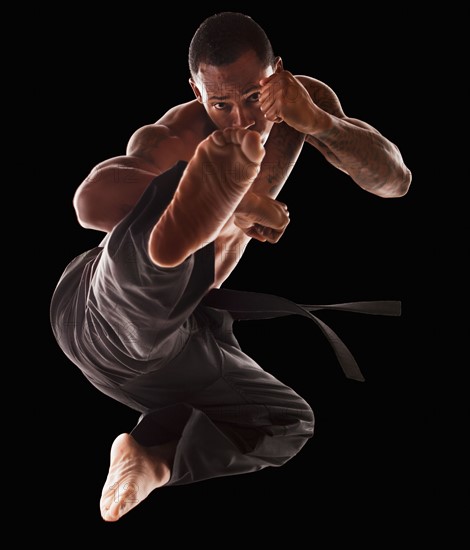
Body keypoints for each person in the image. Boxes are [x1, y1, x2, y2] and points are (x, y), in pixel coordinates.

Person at [50, 11, 411, 522]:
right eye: (221, 104)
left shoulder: (303, 104)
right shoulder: (177, 134)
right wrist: (238, 204)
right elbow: (89, 205)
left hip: (170, 351)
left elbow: (395, 181)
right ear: (196, 93)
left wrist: (320, 124)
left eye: (253, 97)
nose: (242, 118)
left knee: (286, 424)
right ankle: (185, 210)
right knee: (149, 264)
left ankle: (152, 460)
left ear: (277, 72)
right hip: (99, 315)